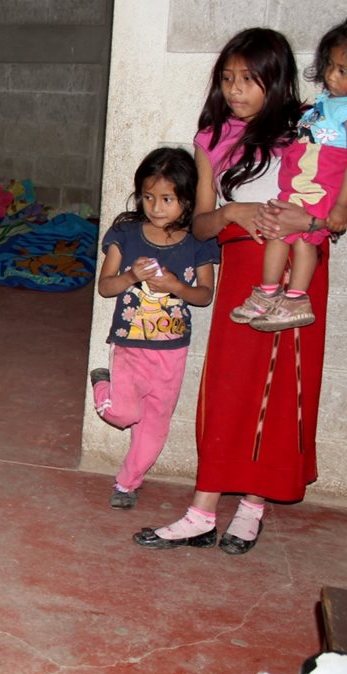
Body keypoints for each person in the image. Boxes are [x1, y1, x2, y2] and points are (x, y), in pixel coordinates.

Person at [134, 28, 330, 554]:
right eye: (228, 78)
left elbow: (337, 212)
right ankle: (201, 510)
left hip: (299, 269)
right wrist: (230, 213)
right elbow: (199, 225)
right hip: (244, 267)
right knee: (226, 385)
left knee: (277, 389)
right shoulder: (211, 137)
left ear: (278, 79)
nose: (237, 90)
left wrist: (308, 217)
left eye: (249, 79)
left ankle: (252, 505)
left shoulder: (315, 127)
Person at [89, 148, 218, 510]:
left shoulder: (198, 241)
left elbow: (205, 295)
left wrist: (176, 287)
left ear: (187, 200)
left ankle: (127, 484)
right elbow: (105, 286)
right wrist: (131, 276)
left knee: (154, 428)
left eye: (167, 199)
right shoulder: (126, 234)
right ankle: (102, 383)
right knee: (124, 414)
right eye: (148, 197)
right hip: (130, 347)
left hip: (171, 353)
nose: (156, 208)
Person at [230, 19, 347, 331]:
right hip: (299, 181)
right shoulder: (325, 102)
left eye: (343, 71)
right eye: (330, 66)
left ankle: (296, 297)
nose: (331, 77)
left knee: (304, 241)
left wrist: (340, 207)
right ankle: (267, 292)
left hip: (320, 186)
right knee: (277, 233)